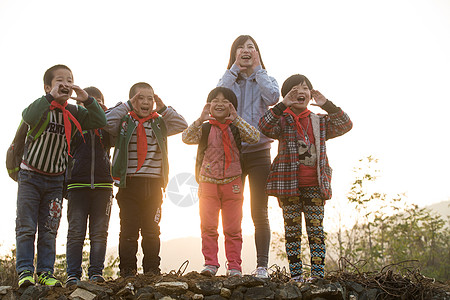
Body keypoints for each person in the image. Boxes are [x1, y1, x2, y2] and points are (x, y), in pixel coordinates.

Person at [16, 65, 107, 288]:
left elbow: (99, 121)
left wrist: (86, 99)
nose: (66, 83)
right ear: (48, 86)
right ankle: (25, 272)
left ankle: (46, 273)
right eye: (60, 80)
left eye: (70, 79)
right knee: (27, 227)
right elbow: (27, 115)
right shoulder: (41, 108)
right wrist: (49, 98)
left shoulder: (75, 113)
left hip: (56, 180)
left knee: (49, 229)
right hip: (30, 177)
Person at [258, 74, 353, 281]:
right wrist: (283, 105)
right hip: (288, 185)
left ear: (311, 94)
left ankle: (318, 275)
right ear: (287, 95)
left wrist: (326, 104)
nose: (301, 92)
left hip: (315, 185)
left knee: (316, 231)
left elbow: (346, 124)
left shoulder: (320, 121)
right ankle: (297, 276)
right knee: (292, 232)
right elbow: (264, 126)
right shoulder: (282, 120)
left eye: (305, 88)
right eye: (295, 89)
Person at [103, 82, 188, 277]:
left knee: (151, 229)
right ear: (133, 100)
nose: (146, 102)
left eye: (150, 98)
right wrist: (125, 106)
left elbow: (182, 125)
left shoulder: (159, 123)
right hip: (129, 184)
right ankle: (127, 269)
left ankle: (151, 269)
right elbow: (104, 121)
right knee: (128, 231)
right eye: (141, 98)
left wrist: (164, 108)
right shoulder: (124, 122)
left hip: (154, 184)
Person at [217, 35, 280, 278]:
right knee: (232, 210)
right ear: (234, 54)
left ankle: (262, 266)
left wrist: (258, 69)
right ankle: (234, 266)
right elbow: (218, 95)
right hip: (231, 152)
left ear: (257, 53)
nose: (246, 50)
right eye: (241, 48)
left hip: (260, 152)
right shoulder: (229, 79)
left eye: (250, 47)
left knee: (259, 210)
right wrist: (234, 69)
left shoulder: (265, 78)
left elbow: (273, 97)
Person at [182, 87, 260, 277]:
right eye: (215, 100)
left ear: (232, 106)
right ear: (209, 105)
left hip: (233, 182)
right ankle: (210, 263)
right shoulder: (206, 127)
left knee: (233, 228)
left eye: (225, 101)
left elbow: (255, 137)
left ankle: (234, 266)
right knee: (208, 226)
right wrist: (201, 119)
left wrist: (236, 119)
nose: (219, 103)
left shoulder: (237, 127)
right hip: (207, 182)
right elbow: (186, 137)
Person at [65, 87, 113, 287]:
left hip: (103, 185)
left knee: (100, 232)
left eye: (96, 102)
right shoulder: (73, 123)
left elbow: (115, 138)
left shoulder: (107, 126)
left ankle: (96, 273)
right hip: (77, 184)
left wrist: (102, 113)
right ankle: (72, 275)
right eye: (85, 102)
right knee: (76, 231)